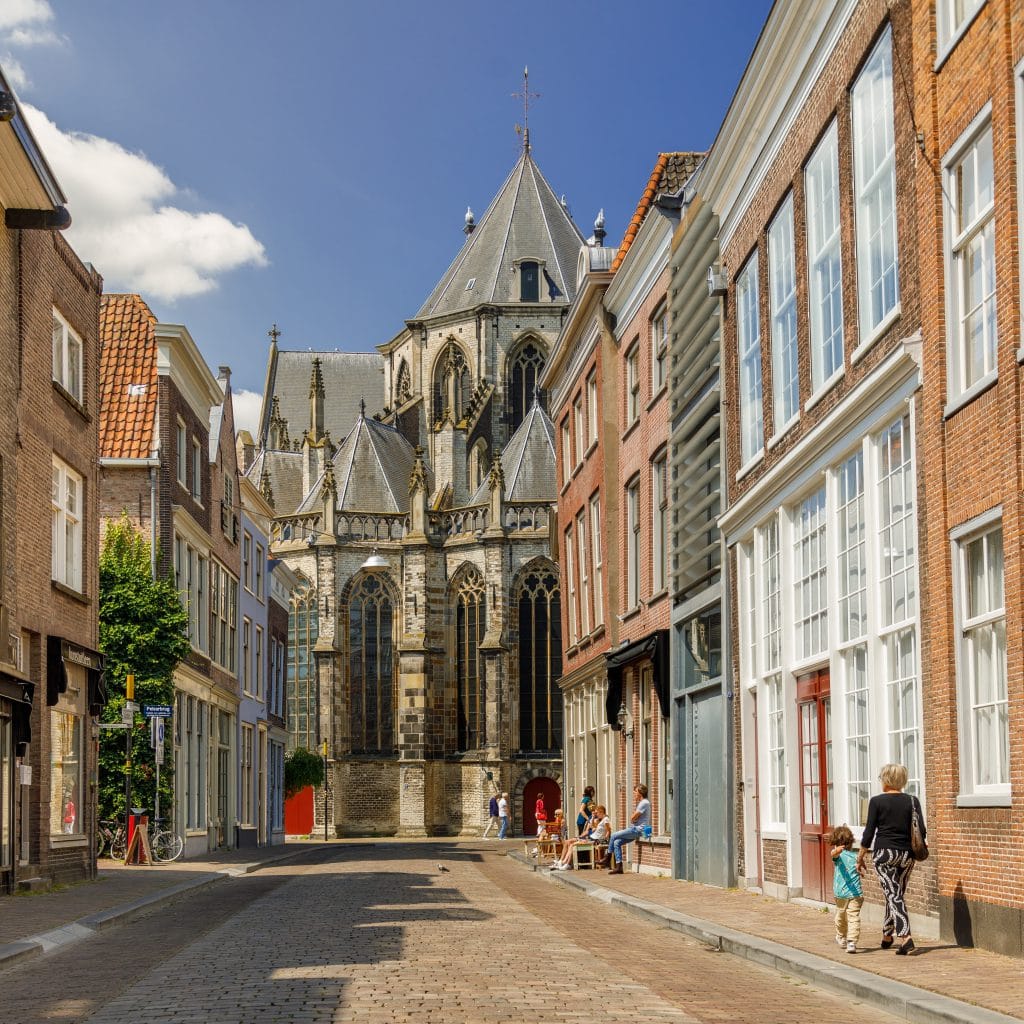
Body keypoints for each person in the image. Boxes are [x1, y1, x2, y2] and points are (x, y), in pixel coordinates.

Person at [856, 763, 926, 955]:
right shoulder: (913, 801)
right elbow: (922, 831)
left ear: (886, 780)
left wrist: (860, 856)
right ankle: (887, 935)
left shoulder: (877, 802)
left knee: (893, 894)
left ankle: (906, 938)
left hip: (884, 854)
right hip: (906, 855)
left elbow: (869, 833)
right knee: (894, 893)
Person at [827, 824, 863, 953]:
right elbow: (833, 854)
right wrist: (837, 850)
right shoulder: (838, 856)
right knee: (841, 916)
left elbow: (860, 864)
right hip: (841, 894)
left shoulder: (855, 856)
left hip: (855, 894)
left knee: (853, 917)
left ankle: (851, 941)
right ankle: (841, 936)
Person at [606, 784, 650, 874]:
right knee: (616, 842)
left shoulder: (644, 803)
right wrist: (634, 818)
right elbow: (634, 818)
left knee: (614, 835)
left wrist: (633, 818)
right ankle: (619, 866)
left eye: (635, 792)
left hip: (638, 829)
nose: (634, 794)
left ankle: (607, 857)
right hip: (636, 828)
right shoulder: (642, 803)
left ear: (640, 793)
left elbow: (633, 817)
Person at [552, 804, 610, 869]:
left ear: (601, 812)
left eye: (597, 813)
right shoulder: (600, 819)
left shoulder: (605, 819)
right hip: (592, 837)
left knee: (572, 844)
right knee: (569, 843)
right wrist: (593, 818)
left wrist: (605, 840)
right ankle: (563, 862)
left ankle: (565, 863)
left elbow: (608, 830)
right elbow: (593, 827)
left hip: (594, 839)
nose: (596, 814)